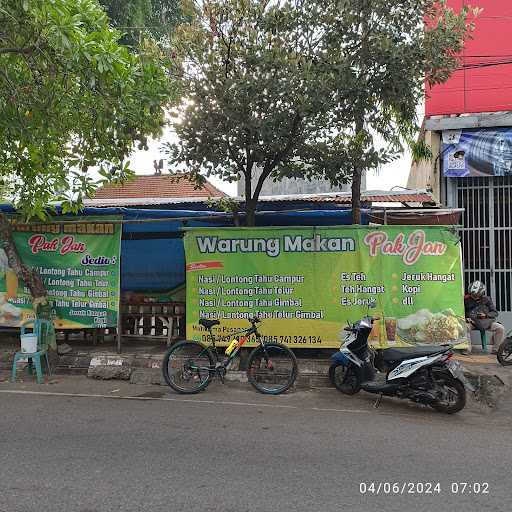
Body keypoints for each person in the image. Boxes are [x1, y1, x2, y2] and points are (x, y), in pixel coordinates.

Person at [464, 281, 505, 354]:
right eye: (472, 294)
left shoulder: (487, 299)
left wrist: (486, 315)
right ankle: (467, 349)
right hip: (472, 323)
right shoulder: (466, 300)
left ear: (481, 293)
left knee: (500, 328)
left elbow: (495, 313)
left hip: (486, 322)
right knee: (465, 328)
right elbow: (462, 312)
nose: (474, 296)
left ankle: (496, 350)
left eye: (476, 294)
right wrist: (466, 318)